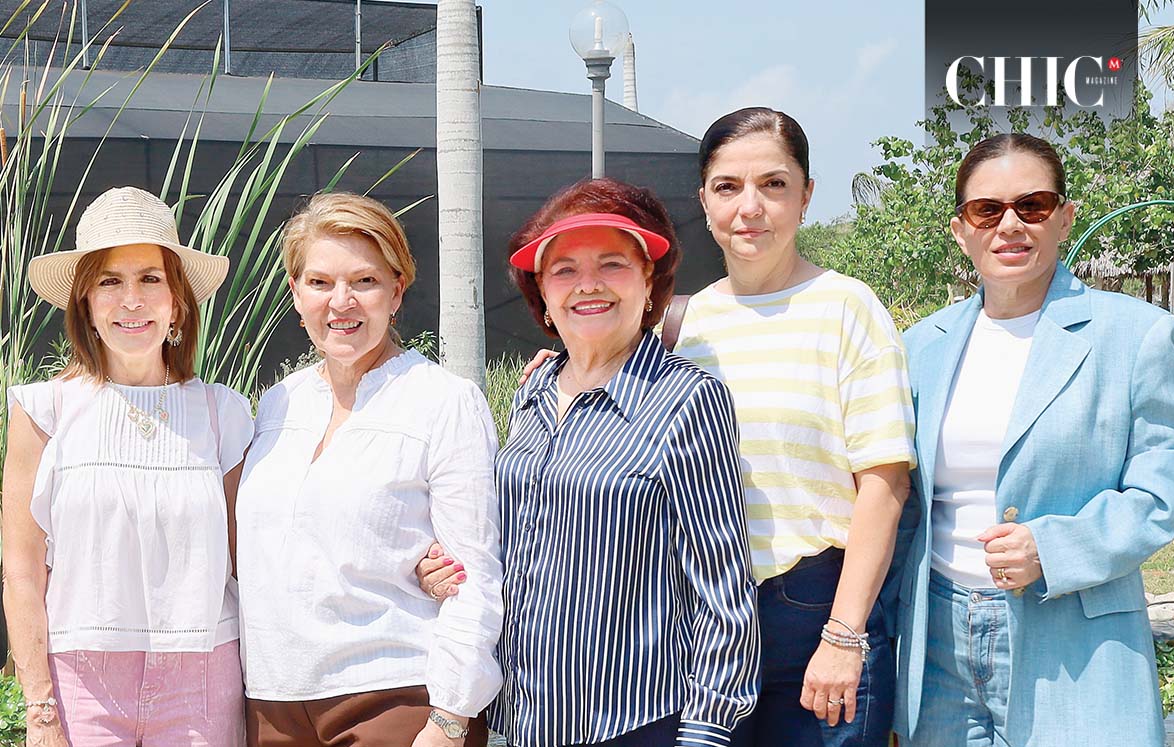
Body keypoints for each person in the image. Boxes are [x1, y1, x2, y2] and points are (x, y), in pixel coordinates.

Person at [422, 110, 915, 747]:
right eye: (728, 187)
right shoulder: (692, 321)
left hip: (808, 607)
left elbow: (883, 483)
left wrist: (844, 634)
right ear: (704, 199)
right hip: (678, 631)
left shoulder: (846, 309)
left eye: (774, 184)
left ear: (806, 194)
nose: (750, 208)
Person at [894, 133, 1174, 746]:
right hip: (937, 644)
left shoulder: (1135, 335)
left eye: (1031, 206)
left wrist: (1054, 546)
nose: (1010, 225)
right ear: (961, 229)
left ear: (1064, 218)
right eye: (988, 210)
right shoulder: (922, 345)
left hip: (1073, 634)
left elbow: (1164, 490)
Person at [491, 178, 758, 747]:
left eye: (612, 264)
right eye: (563, 269)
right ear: (541, 290)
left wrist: (706, 731)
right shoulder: (532, 393)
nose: (587, 285)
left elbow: (722, 587)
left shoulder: (687, 399)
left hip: (631, 722)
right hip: (522, 719)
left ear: (648, 280)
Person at [235, 192, 503, 747]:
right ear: (295, 292)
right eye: (319, 282)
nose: (341, 302)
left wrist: (450, 719)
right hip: (271, 703)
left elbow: (475, 573)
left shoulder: (444, 401)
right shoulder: (275, 405)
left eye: (364, 281)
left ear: (396, 291)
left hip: (394, 700)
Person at [2, 186, 251, 746]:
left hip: (205, 678)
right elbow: (21, 570)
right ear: (85, 302)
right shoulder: (43, 410)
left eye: (150, 279)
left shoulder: (223, 413)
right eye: (110, 282)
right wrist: (39, 709)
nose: (132, 300)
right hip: (79, 684)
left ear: (178, 301)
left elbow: (253, 560)